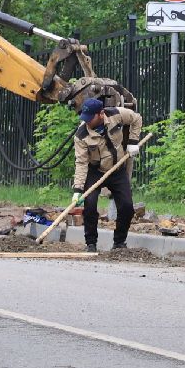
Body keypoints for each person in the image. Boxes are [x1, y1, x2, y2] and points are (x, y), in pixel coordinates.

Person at [71, 97, 142, 254]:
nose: (86, 121)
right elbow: (81, 163)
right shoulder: (81, 135)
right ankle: (91, 243)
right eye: (85, 117)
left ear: (101, 114)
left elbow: (137, 118)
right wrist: (78, 189)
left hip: (117, 169)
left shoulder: (116, 114)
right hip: (95, 171)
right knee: (90, 205)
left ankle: (119, 243)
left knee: (126, 207)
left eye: (90, 118)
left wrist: (133, 141)